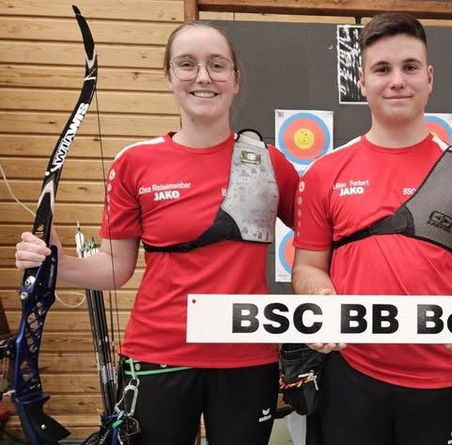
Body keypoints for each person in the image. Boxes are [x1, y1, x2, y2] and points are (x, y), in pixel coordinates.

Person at [14, 22, 299, 445]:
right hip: (158, 354)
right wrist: (55, 261)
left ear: (236, 80)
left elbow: (320, 244)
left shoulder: (269, 162)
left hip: (246, 354)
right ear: (168, 76)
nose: (203, 76)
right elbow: (115, 267)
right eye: (187, 64)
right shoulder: (136, 162)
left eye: (217, 65)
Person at [291, 12, 452, 445]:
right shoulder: (325, 171)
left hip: (439, 376)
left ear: (429, 77)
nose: (397, 81)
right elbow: (308, 267)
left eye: (409, 67)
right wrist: (321, 300)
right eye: (382, 69)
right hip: (350, 374)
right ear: (362, 81)